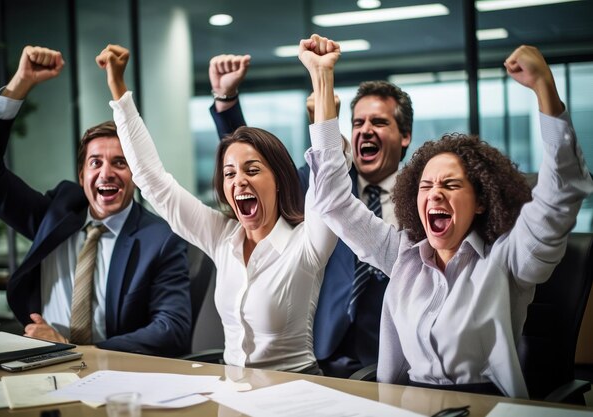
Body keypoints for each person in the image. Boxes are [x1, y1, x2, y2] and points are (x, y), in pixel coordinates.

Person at [302, 35, 593, 397]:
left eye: (451, 185)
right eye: (425, 186)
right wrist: (322, 77)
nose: (435, 193)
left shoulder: (509, 259)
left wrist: (546, 91)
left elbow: (561, 192)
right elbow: (331, 199)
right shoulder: (404, 256)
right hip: (407, 404)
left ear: (482, 200)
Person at [96, 44, 337, 374]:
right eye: (229, 173)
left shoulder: (307, 242)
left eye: (252, 170)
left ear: (279, 180)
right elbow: (152, 181)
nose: (239, 181)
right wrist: (119, 91)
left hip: (294, 393)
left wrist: (322, 77)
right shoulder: (223, 236)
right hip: (232, 394)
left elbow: (329, 178)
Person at [0, 45, 192, 358]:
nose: (106, 173)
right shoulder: (55, 214)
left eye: (120, 163)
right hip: (42, 363)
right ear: (81, 173)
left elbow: (173, 330)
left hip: (116, 377)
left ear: (136, 174)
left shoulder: (161, 240)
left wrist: (82, 350)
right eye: (96, 162)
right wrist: (20, 83)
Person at [208, 53, 414, 377]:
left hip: (390, 353)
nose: (366, 131)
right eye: (358, 123)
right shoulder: (314, 188)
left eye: (379, 122)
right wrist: (226, 101)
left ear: (405, 136)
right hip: (318, 352)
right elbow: (252, 164)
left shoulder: (424, 200)